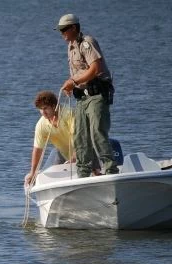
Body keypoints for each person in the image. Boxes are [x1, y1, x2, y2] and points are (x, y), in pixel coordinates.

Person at [57, 14, 119, 178]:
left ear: (74, 28)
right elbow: (78, 73)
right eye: (60, 30)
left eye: (64, 29)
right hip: (81, 98)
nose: (61, 33)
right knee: (80, 135)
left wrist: (73, 80)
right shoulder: (70, 47)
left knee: (97, 132)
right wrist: (71, 85)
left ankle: (111, 170)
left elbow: (95, 69)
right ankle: (83, 173)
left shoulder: (87, 43)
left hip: (97, 95)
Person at [24, 90, 75, 187]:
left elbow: (79, 137)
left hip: (83, 152)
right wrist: (32, 173)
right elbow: (37, 149)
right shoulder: (41, 124)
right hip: (63, 153)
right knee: (41, 177)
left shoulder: (68, 113)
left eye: (45, 108)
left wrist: (75, 156)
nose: (43, 112)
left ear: (54, 106)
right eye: (40, 109)